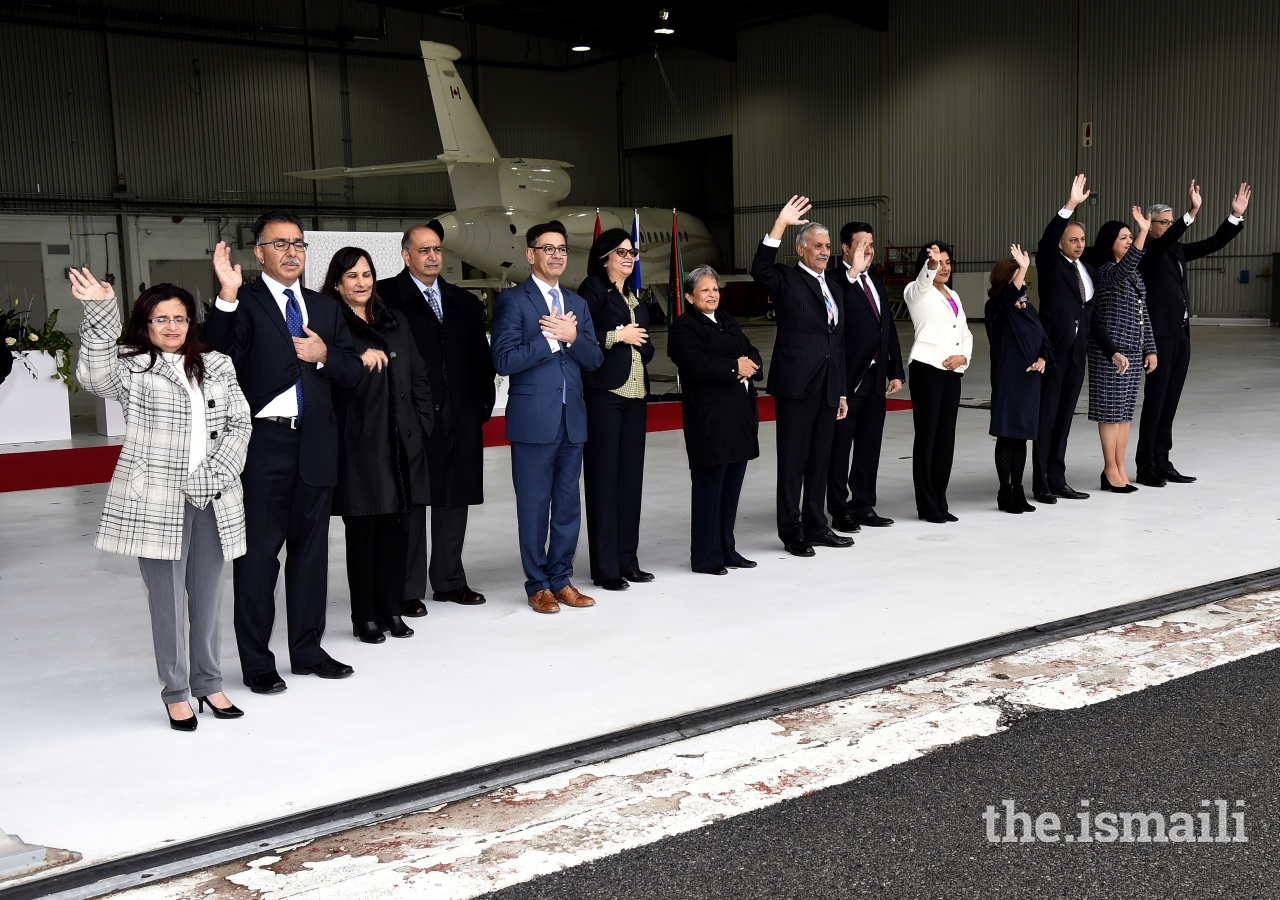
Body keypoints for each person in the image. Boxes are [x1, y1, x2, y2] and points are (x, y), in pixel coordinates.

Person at [72, 270, 251, 731]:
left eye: (180, 318)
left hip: (211, 495)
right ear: (145, 325)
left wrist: (213, 475)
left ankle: (209, 683)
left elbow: (240, 425)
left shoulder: (220, 364)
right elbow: (92, 374)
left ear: (191, 321)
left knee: (208, 599)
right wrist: (98, 309)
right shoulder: (130, 366)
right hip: (156, 501)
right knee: (167, 603)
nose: (172, 327)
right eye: (160, 319)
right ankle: (176, 692)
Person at [206, 211, 363, 694]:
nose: (291, 252)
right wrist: (226, 297)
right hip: (262, 446)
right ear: (259, 253)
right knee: (257, 560)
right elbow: (214, 353)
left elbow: (353, 372)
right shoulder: (244, 301)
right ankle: (257, 662)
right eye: (280, 244)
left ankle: (308, 651)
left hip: (315, 443)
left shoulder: (325, 307)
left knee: (311, 557)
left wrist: (325, 357)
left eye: (298, 243)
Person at [380, 221, 496, 612]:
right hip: (411, 416)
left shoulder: (462, 301)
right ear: (406, 255)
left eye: (437, 250)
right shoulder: (386, 298)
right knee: (411, 502)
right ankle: (408, 590)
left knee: (454, 497)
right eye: (424, 250)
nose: (433, 257)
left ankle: (449, 581)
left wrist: (481, 405)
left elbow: (482, 361)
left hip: (459, 414)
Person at [491, 221, 604, 614]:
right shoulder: (513, 301)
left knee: (569, 504)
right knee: (535, 506)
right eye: (547, 248)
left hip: (573, 419)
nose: (556, 254)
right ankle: (537, 584)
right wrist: (550, 339)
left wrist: (573, 337)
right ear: (530, 254)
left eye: (562, 248)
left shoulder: (577, 304)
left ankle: (562, 579)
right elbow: (503, 360)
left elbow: (594, 359)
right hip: (533, 421)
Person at [324, 248, 434, 643]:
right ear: (337, 282)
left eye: (367, 274)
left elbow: (419, 374)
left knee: (397, 532)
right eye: (351, 275)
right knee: (364, 535)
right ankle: (364, 615)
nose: (361, 282)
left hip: (401, 442)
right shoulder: (332, 324)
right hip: (359, 444)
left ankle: (392, 608)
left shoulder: (394, 320)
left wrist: (421, 424)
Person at [750, 196, 850, 557]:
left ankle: (816, 525)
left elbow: (835, 342)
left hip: (826, 386)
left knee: (819, 461)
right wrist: (779, 224)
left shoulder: (834, 287)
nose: (824, 252)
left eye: (827, 247)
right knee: (793, 463)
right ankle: (791, 530)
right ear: (800, 248)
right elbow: (759, 269)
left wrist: (840, 391)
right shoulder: (787, 280)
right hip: (796, 384)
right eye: (817, 246)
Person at [1136, 181, 1251, 486]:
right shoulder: (1147, 250)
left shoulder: (1176, 250)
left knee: (1170, 400)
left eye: (1172, 221)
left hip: (1180, 335)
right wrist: (1191, 212)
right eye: (1166, 221)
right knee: (1155, 400)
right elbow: (1163, 241)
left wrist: (1234, 217)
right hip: (1158, 337)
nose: (1171, 226)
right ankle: (1145, 464)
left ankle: (1162, 460)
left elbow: (1212, 243)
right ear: (1151, 224)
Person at [1032, 175, 1123, 504]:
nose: (1079, 244)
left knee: (1064, 420)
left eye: (1082, 239)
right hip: (1053, 353)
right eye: (1073, 239)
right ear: (1061, 242)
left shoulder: (1088, 270)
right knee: (1047, 418)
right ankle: (1040, 481)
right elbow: (1046, 240)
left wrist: (1112, 351)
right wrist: (1070, 206)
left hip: (1077, 356)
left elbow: (1092, 317)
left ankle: (1057, 478)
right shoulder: (1050, 264)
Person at [667, 265, 763, 574]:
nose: (712, 294)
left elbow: (752, 352)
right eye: (705, 290)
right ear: (689, 296)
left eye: (715, 289)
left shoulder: (726, 320)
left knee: (732, 487)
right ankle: (705, 557)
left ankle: (726, 549)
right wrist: (735, 368)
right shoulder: (683, 326)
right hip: (710, 420)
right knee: (710, 489)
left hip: (737, 417)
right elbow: (695, 363)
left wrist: (751, 365)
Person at [578, 228, 655, 591]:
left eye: (632, 252)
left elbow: (648, 345)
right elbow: (579, 336)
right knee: (604, 481)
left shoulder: (635, 297)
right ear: (604, 257)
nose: (629, 257)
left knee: (630, 481)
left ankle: (629, 560)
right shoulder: (593, 290)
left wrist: (639, 342)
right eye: (621, 252)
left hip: (636, 395)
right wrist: (617, 336)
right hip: (604, 395)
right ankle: (606, 567)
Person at [826, 221, 905, 532]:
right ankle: (838, 508)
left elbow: (888, 329)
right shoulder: (834, 281)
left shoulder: (876, 283)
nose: (869, 250)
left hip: (875, 379)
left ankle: (864, 504)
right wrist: (852, 273)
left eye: (871, 245)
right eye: (862, 245)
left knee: (869, 445)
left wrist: (895, 369)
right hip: (848, 381)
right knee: (840, 448)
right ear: (845, 249)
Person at [1086, 210, 1158, 492]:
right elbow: (1124, 267)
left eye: (1131, 236)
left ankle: (1120, 466)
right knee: (1110, 411)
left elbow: (1144, 312)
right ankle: (1109, 469)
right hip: (1111, 350)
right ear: (1110, 242)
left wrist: (1149, 349)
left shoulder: (1135, 275)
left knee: (1126, 412)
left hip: (1133, 348)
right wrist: (1143, 232)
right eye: (1124, 237)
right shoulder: (1105, 272)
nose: (1129, 241)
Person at [904, 243, 973, 523]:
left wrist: (963, 358)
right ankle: (926, 504)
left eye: (947, 262)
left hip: (951, 373)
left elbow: (966, 333)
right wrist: (928, 268)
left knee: (945, 439)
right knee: (927, 438)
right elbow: (922, 284)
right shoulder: (915, 291)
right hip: (927, 369)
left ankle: (940, 500)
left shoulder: (953, 294)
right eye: (938, 262)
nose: (944, 267)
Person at [984, 244, 1052, 514]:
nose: (1024, 282)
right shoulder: (996, 306)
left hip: (1030, 379)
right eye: (1020, 276)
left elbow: (1042, 336)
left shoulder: (1025, 306)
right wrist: (1022, 267)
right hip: (1009, 378)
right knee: (1007, 435)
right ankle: (1004, 492)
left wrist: (1044, 358)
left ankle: (1018, 490)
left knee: (1022, 437)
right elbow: (1007, 301)